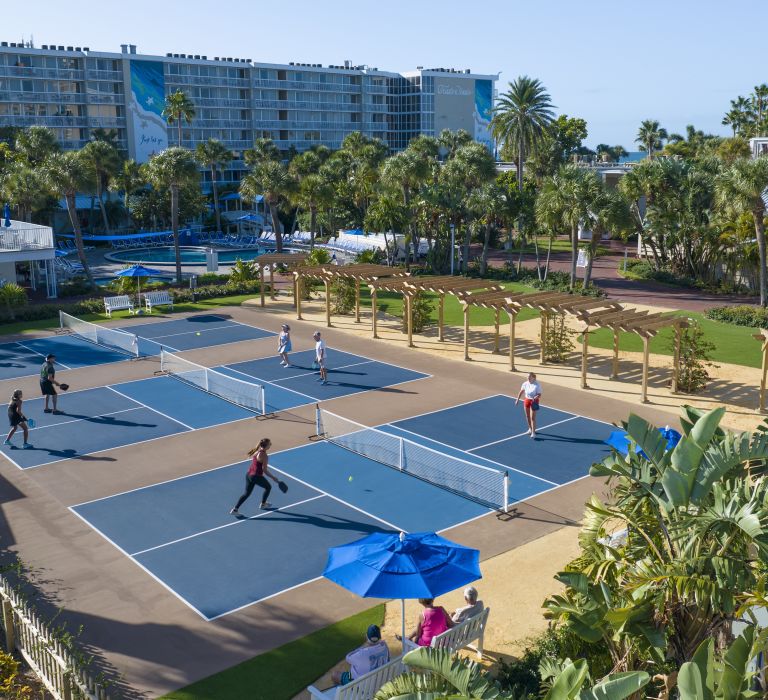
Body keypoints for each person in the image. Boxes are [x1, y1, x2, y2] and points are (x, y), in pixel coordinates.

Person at [230, 439, 280, 514]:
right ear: (266, 446)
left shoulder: (257, 451)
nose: (271, 445)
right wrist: (273, 477)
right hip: (256, 476)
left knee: (246, 494)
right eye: (270, 444)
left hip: (249, 475)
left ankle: (235, 509)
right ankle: (263, 504)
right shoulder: (264, 456)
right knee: (268, 487)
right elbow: (265, 470)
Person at [515, 372, 542, 438]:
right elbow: (521, 391)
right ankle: (530, 429)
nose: (528, 378)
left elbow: (539, 394)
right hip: (527, 400)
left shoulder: (537, 385)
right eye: (527, 377)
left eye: (529, 377)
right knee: (527, 416)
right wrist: (517, 399)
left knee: (532, 418)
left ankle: (533, 432)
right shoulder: (525, 383)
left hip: (534, 401)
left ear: (533, 377)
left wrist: (536, 397)